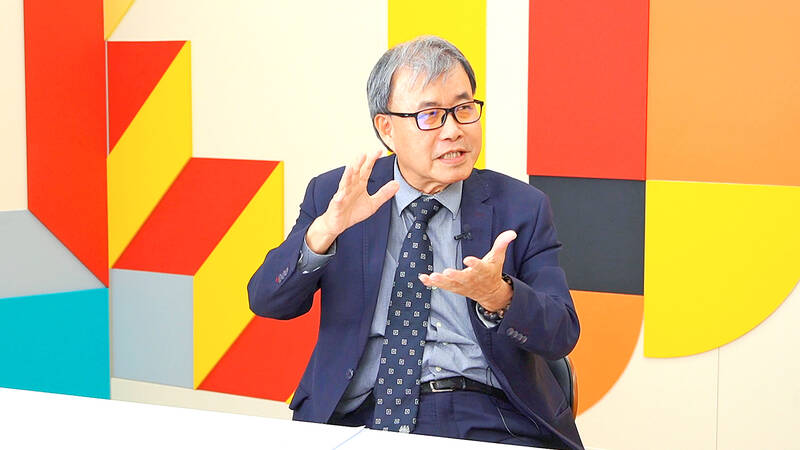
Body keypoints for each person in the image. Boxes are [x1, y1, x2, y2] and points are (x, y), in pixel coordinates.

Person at [248, 36, 582, 449]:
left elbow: (560, 334)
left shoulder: (520, 206)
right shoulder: (339, 195)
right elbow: (268, 302)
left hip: (486, 416)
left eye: (463, 109)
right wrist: (324, 232)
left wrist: (499, 296)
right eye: (430, 115)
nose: (453, 131)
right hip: (358, 416)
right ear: (386, 128)